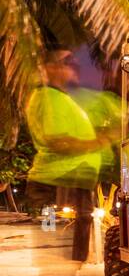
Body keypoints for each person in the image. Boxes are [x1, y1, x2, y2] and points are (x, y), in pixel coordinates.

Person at [24, 49, 109, 260]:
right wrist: (97, 142)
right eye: (66, 61)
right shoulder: (48, 97)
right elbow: (58, 140)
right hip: (61, 176)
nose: (74, 64)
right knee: (54, 222)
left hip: (75, 176)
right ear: (50, 68)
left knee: (81, 217)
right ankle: (68, 261)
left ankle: (75, 261)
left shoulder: (62, 98)